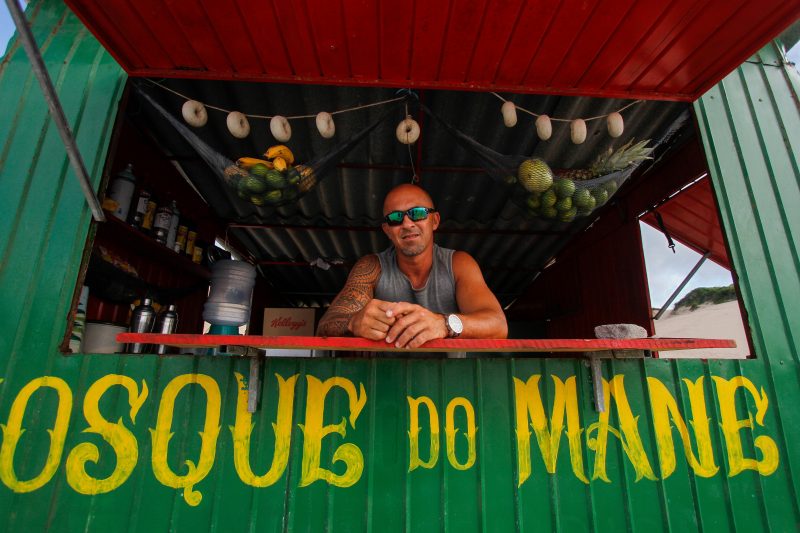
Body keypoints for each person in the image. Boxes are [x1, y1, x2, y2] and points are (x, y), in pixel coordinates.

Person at [316, 183, 507, 351]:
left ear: (435, 221)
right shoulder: (371, 266)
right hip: (386, 381)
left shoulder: (458, 263)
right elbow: (325, 325)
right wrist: (353, 322)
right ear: (387, 230)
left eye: (418, 213)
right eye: (396, 218)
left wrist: (442, 323)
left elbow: (498, 325)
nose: (407, 224)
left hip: (451, 385)